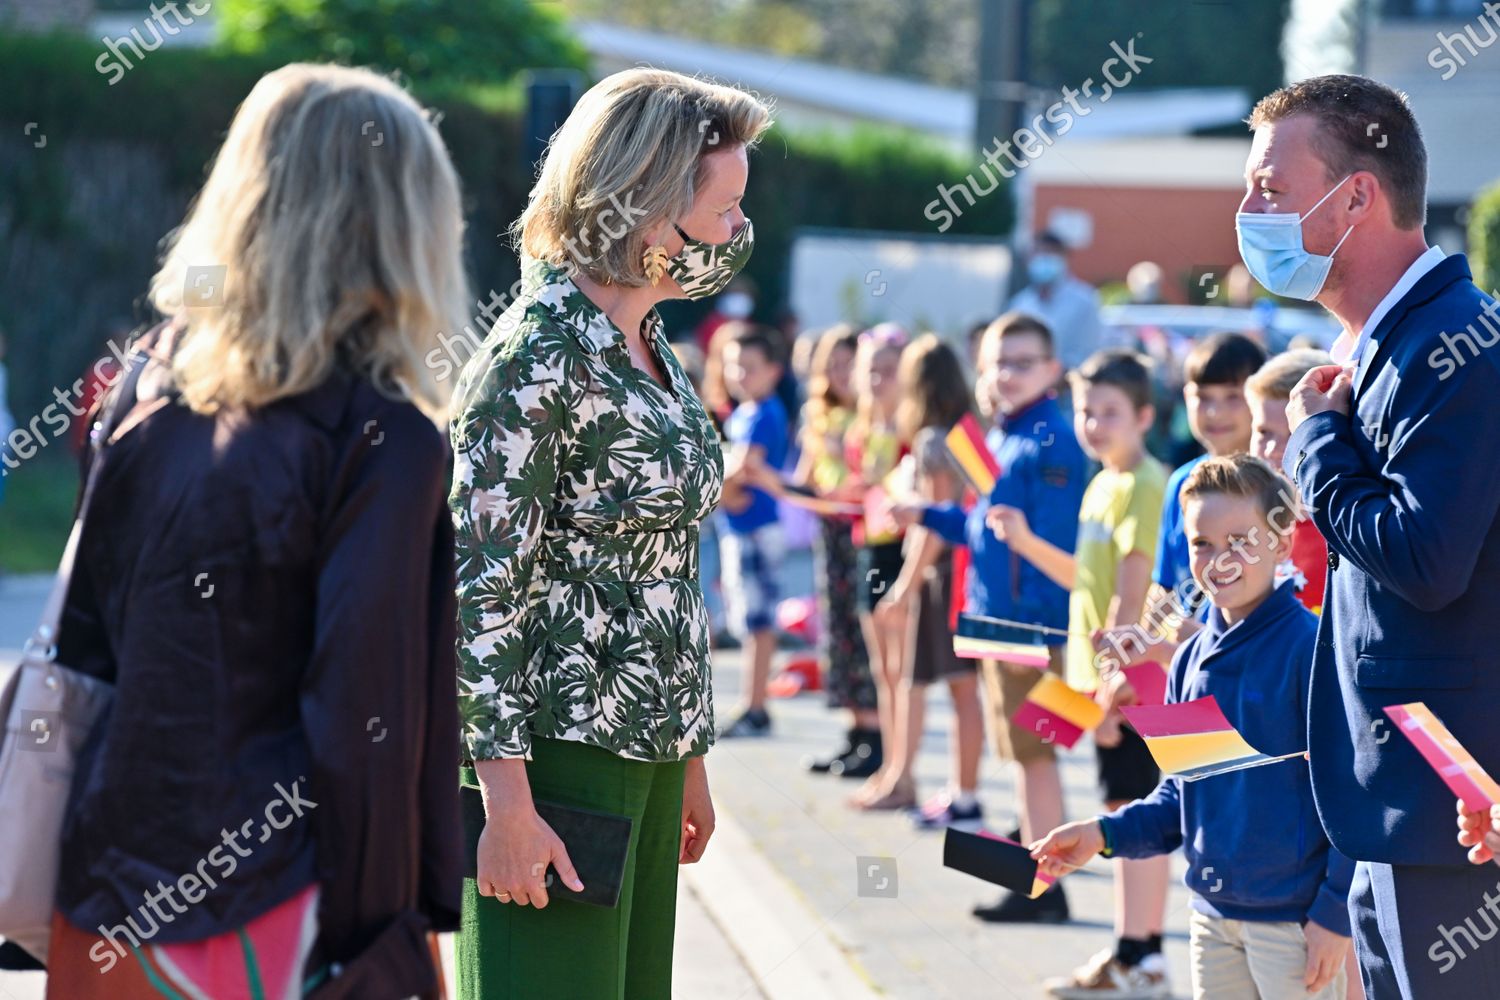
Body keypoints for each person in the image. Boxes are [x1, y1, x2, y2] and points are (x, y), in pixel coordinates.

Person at [42, 64, 466, 999]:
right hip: (279, 915)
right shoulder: (383, 433)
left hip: (105, 893)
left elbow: (86, 651)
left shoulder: (143, 390)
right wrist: (385, 943)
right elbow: (365, 719)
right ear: (406, 225)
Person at [449, 68, 771, 999]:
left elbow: (671, 567)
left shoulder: (648, 344)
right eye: (725, 209)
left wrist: (691, 759)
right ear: (645, 206)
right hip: (560, 749)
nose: (735, 235)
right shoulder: (537, 355)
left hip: (650, 741)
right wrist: (505, 804)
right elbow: (483, 588)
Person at [1258, 74, 1500, 998]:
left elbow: (1425, 559)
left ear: (1356, 194)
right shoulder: (1389, 342)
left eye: (1272, 189)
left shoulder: (1452, 343)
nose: (1249, 212)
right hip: (1403, 808)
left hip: (1442, 805)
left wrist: (1317, 443)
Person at [1033, 454, 1353, 1000]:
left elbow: (1353, 794)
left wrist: (1334, 914)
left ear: (1280, 543)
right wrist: (1100, 836)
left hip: (1295, 926)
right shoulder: (1186, 660)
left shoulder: (1313, 650)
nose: (1219, 559)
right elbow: (1179, 800)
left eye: (1240, 540)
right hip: (1210, 919)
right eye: (1202, 543)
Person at [892, 312, 1088, 920]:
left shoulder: (1047, 441)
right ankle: (1036, 882)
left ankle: (1043, 889)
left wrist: (1030, 627)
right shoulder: (1003, 436)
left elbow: (1051, 551)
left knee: (1033, 759)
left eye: (1023, 363)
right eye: (998, 362)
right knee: (1024, 758)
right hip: (997, 621)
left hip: (1024, 627)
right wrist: (926, 513)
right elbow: (986, 532)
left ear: (1052, 370)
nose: (1007, 373)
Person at [988, 348, 1171, 997]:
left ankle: (1141, 955)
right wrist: (1029, 543)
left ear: (1144, 415)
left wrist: (1110, 685)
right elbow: (1082, 580)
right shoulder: (1102, 483)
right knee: (1036, 751)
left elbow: (1133, 588)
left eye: (1110, 412)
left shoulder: (1148, 484)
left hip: (1125, 680)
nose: (1094, 424)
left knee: (1132, 809)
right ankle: (1104, 931)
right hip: (1090, 670)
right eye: (1085, 411)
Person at [1096, 334, 1266, 676]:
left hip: (1254, 671)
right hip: (1187, 668)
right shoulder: (1180, 483)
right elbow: (1166, 589)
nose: (1215, 411)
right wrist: (1137, 662)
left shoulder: (1273, 485)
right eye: (1202, 397)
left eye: (1233, 397)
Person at [859, 334, 976, 813]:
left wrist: (904, 587)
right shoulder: (969, 431)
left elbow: (935, 520)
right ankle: (954, 789)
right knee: (962, 688)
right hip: (965, 569)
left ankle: (908, 780)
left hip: (940, 574)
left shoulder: (932, 441)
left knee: (924, 682)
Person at [789, 325, 879, 775]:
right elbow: (805, 479)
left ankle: (875, 736)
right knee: (839, 629)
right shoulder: (818, 416)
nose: (843, 374)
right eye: (836, 365)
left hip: (864, 532)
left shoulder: (873, 418)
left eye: (851, 365)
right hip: (831, 531)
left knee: (865, 634)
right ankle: (855, 732)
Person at [842, 323, 912, 806]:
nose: (878, 381)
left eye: (889, 372)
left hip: (902, 551)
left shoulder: (910, 430)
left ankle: (901, 772)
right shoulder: (860, 430)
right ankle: (890, 765)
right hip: (869, 546)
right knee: (881, 671)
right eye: (871, 371)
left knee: (902, 670)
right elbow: (857, 489)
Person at [715, 322, 790, 738]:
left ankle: (756, 706)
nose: (740, 375)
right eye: (733, 366)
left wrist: (718, 489)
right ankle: (753, 702)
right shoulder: (746, 412)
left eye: (750, 367)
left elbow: (743, 471)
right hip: (743, 527)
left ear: (773, 371)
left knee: (758, 623)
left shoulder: (764, 414)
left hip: (757, 529)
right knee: (749, 620)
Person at [1245, 348, 1334, 614]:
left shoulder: (1343, 529)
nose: (1273, 449)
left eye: (1293, 434)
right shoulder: (1246, 523)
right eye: (1263, 432)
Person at [1008, 231, 1103, 370]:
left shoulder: (1085, 301)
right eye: (1038, 253)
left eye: (1050, 253)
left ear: (1064, 258)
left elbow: (1089, 351)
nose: (1043, 258)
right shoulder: (1020, 303)